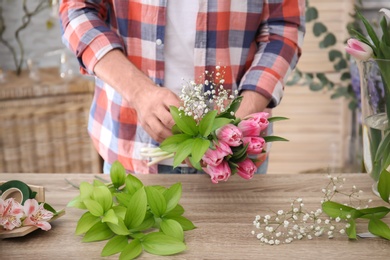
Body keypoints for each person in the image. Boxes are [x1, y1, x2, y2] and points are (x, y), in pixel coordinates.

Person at [59, 0, 306, 174]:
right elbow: (77, 9)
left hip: (235, 157)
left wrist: (245, 109)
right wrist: (139, 93)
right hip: (130, 149)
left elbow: (284, 27)